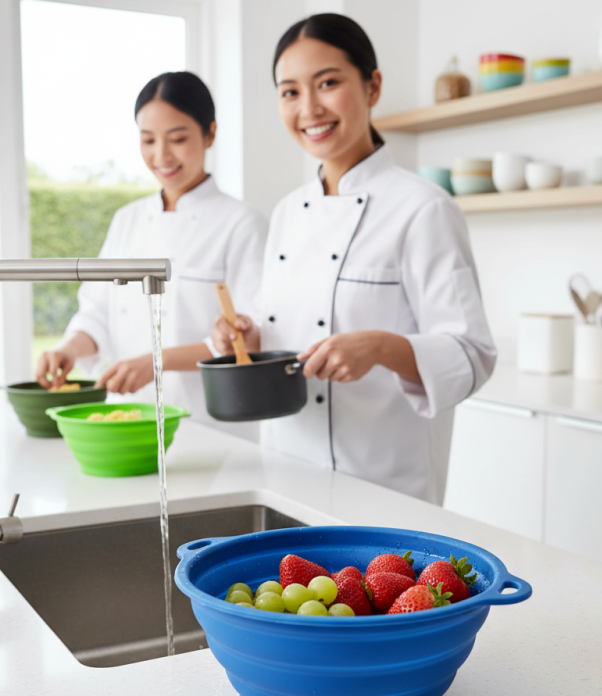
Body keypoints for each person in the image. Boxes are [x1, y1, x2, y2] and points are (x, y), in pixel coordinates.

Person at [212, 14, 496, 503]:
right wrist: (248, 333)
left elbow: (471, 354)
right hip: (286, 472)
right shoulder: (286, 212)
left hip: (385, 483)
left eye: (327, 83)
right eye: (290, 91)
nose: (309, 108)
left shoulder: (423, 208)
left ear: (373, 86)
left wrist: (383, 348)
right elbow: (278, 323)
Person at [36, 71, 266, 434]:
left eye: (177, 138)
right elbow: (96, 312)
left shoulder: (241, 224)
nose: (162, 156)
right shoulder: (126, 220)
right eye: (148, 140)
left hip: (211, 425)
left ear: (210, 133)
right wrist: (69, 349)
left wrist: (156, 363)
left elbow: (249, 336)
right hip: (127, 417)